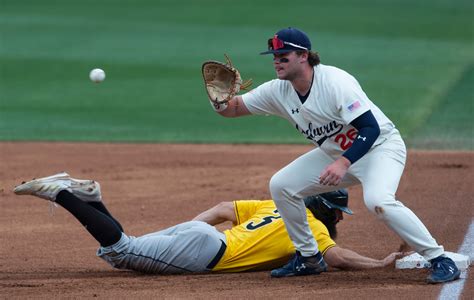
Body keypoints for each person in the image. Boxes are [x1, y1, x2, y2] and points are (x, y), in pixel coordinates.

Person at [206, 27, 460, 283]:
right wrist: (218, 100)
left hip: (379, 149)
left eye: (283, 56)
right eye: (274, 56)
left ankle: (440, 259)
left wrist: (343, 162)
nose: (276, 61)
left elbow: (370, 128)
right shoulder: (278, 91)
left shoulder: (335, 82)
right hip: (337, 154)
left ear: (303, 56)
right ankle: (308, 258)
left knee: (378, 201)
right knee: (282, 185)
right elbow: (234, 108)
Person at [13, 172, 404, 275]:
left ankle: (92, 197)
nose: (339, 220)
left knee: (125, 246)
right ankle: (61, 193)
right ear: (324, 210)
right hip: (209, 253)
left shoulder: (275, 205)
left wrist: (187, 230)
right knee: (120, 250)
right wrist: (378, 263)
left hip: (203, 236)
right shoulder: (311, 230)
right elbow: (336, 258)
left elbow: (220, 208)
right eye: (338, 212)